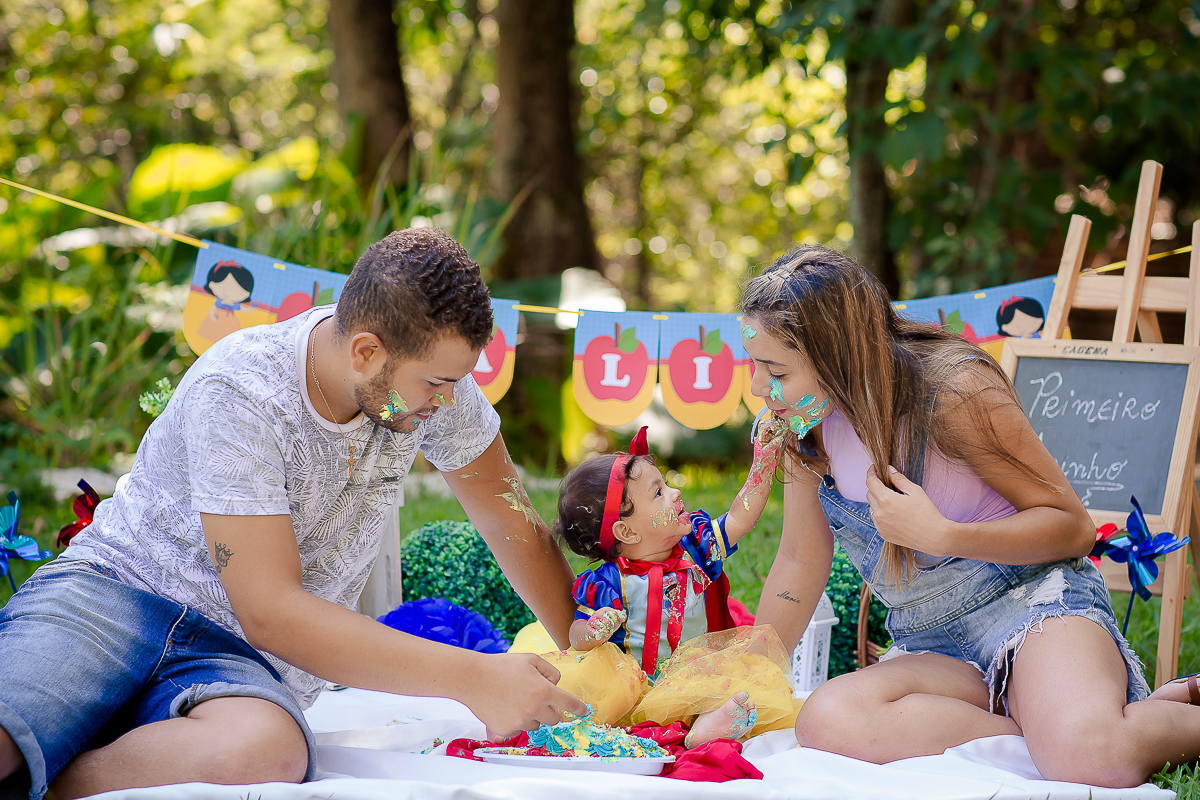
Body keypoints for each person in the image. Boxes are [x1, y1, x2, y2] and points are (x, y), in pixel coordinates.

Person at [0, 227, 588, 800]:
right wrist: (474, 678)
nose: (449, 401)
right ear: (365, 352)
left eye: (456, 382)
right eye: (436, 383)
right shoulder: (243, 389)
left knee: (268, 752)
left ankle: (47, 782)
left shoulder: (431, 391)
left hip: (230, 661)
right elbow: (271, 611)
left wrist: (587, 654)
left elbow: (511, 520)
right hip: (112, 597)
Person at [740, 244, 1200, 788]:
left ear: (835, 355)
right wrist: (745, 680)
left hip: (1032, 607)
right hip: (932, 643)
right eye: (754, 366)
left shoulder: (953, 390)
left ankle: (1115, 722)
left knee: (1092, 758)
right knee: (826, 721)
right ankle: (1045, 722)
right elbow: (798, 560)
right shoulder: (803, 425)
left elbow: (1073, 528)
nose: (756, 388)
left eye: (774, 370)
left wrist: (942, 533)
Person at [554, 420, 795, 746]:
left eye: (665, 484)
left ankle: (705, 727)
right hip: (633, 682)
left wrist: (763, 461)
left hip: (697, 675)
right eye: (659, 492)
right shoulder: (611, 581)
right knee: (576, 693)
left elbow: (741, 517)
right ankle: (530, 718)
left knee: (728, 688)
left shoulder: (697, 548)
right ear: (627, 532)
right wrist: (594, 629)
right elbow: (576, 634)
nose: (675, 492)